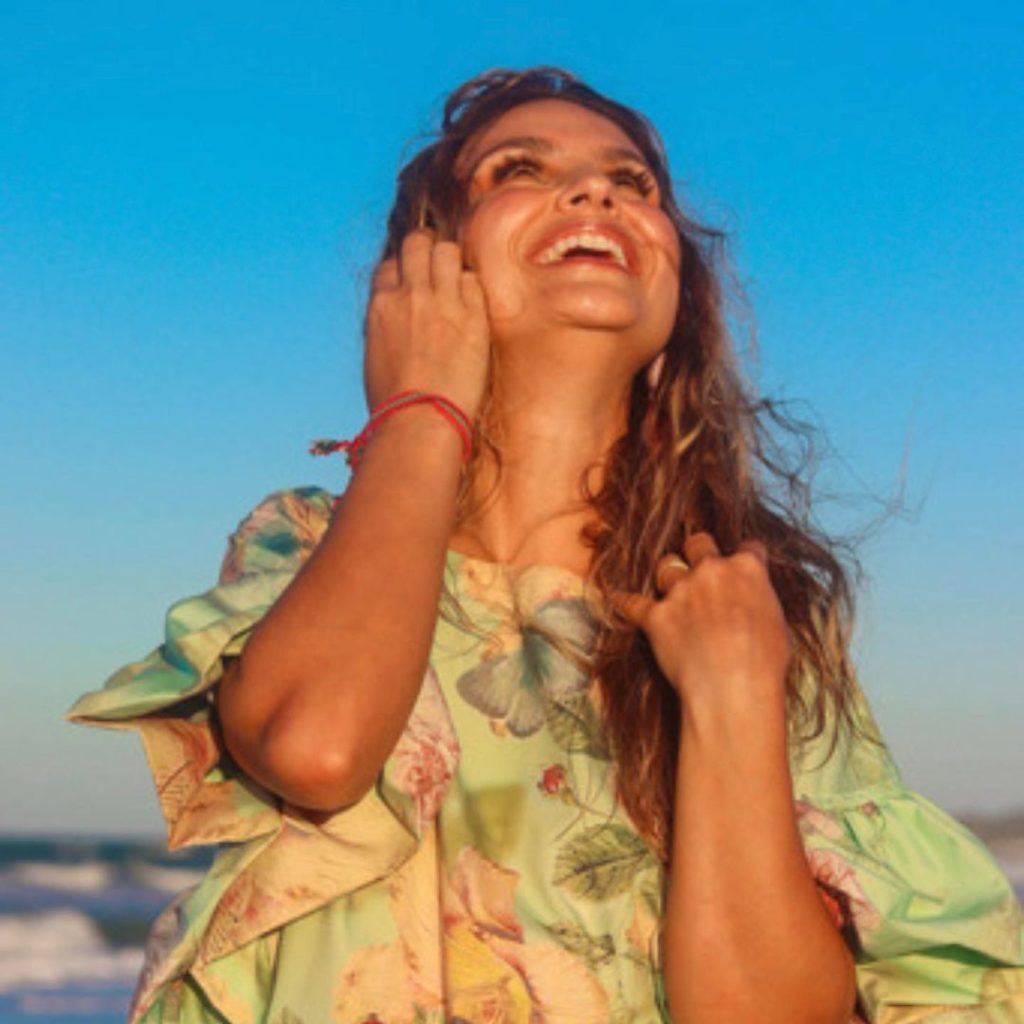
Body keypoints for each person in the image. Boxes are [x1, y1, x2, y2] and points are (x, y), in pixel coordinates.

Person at [69, 68, 1024, 1023]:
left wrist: (734, 695)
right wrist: (418, 406)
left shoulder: (747, 609)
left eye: (633, 182)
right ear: (427, 272)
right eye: (518, 169)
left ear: (674, 299)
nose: (596, 191)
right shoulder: (312, 543)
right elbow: (316, 750)